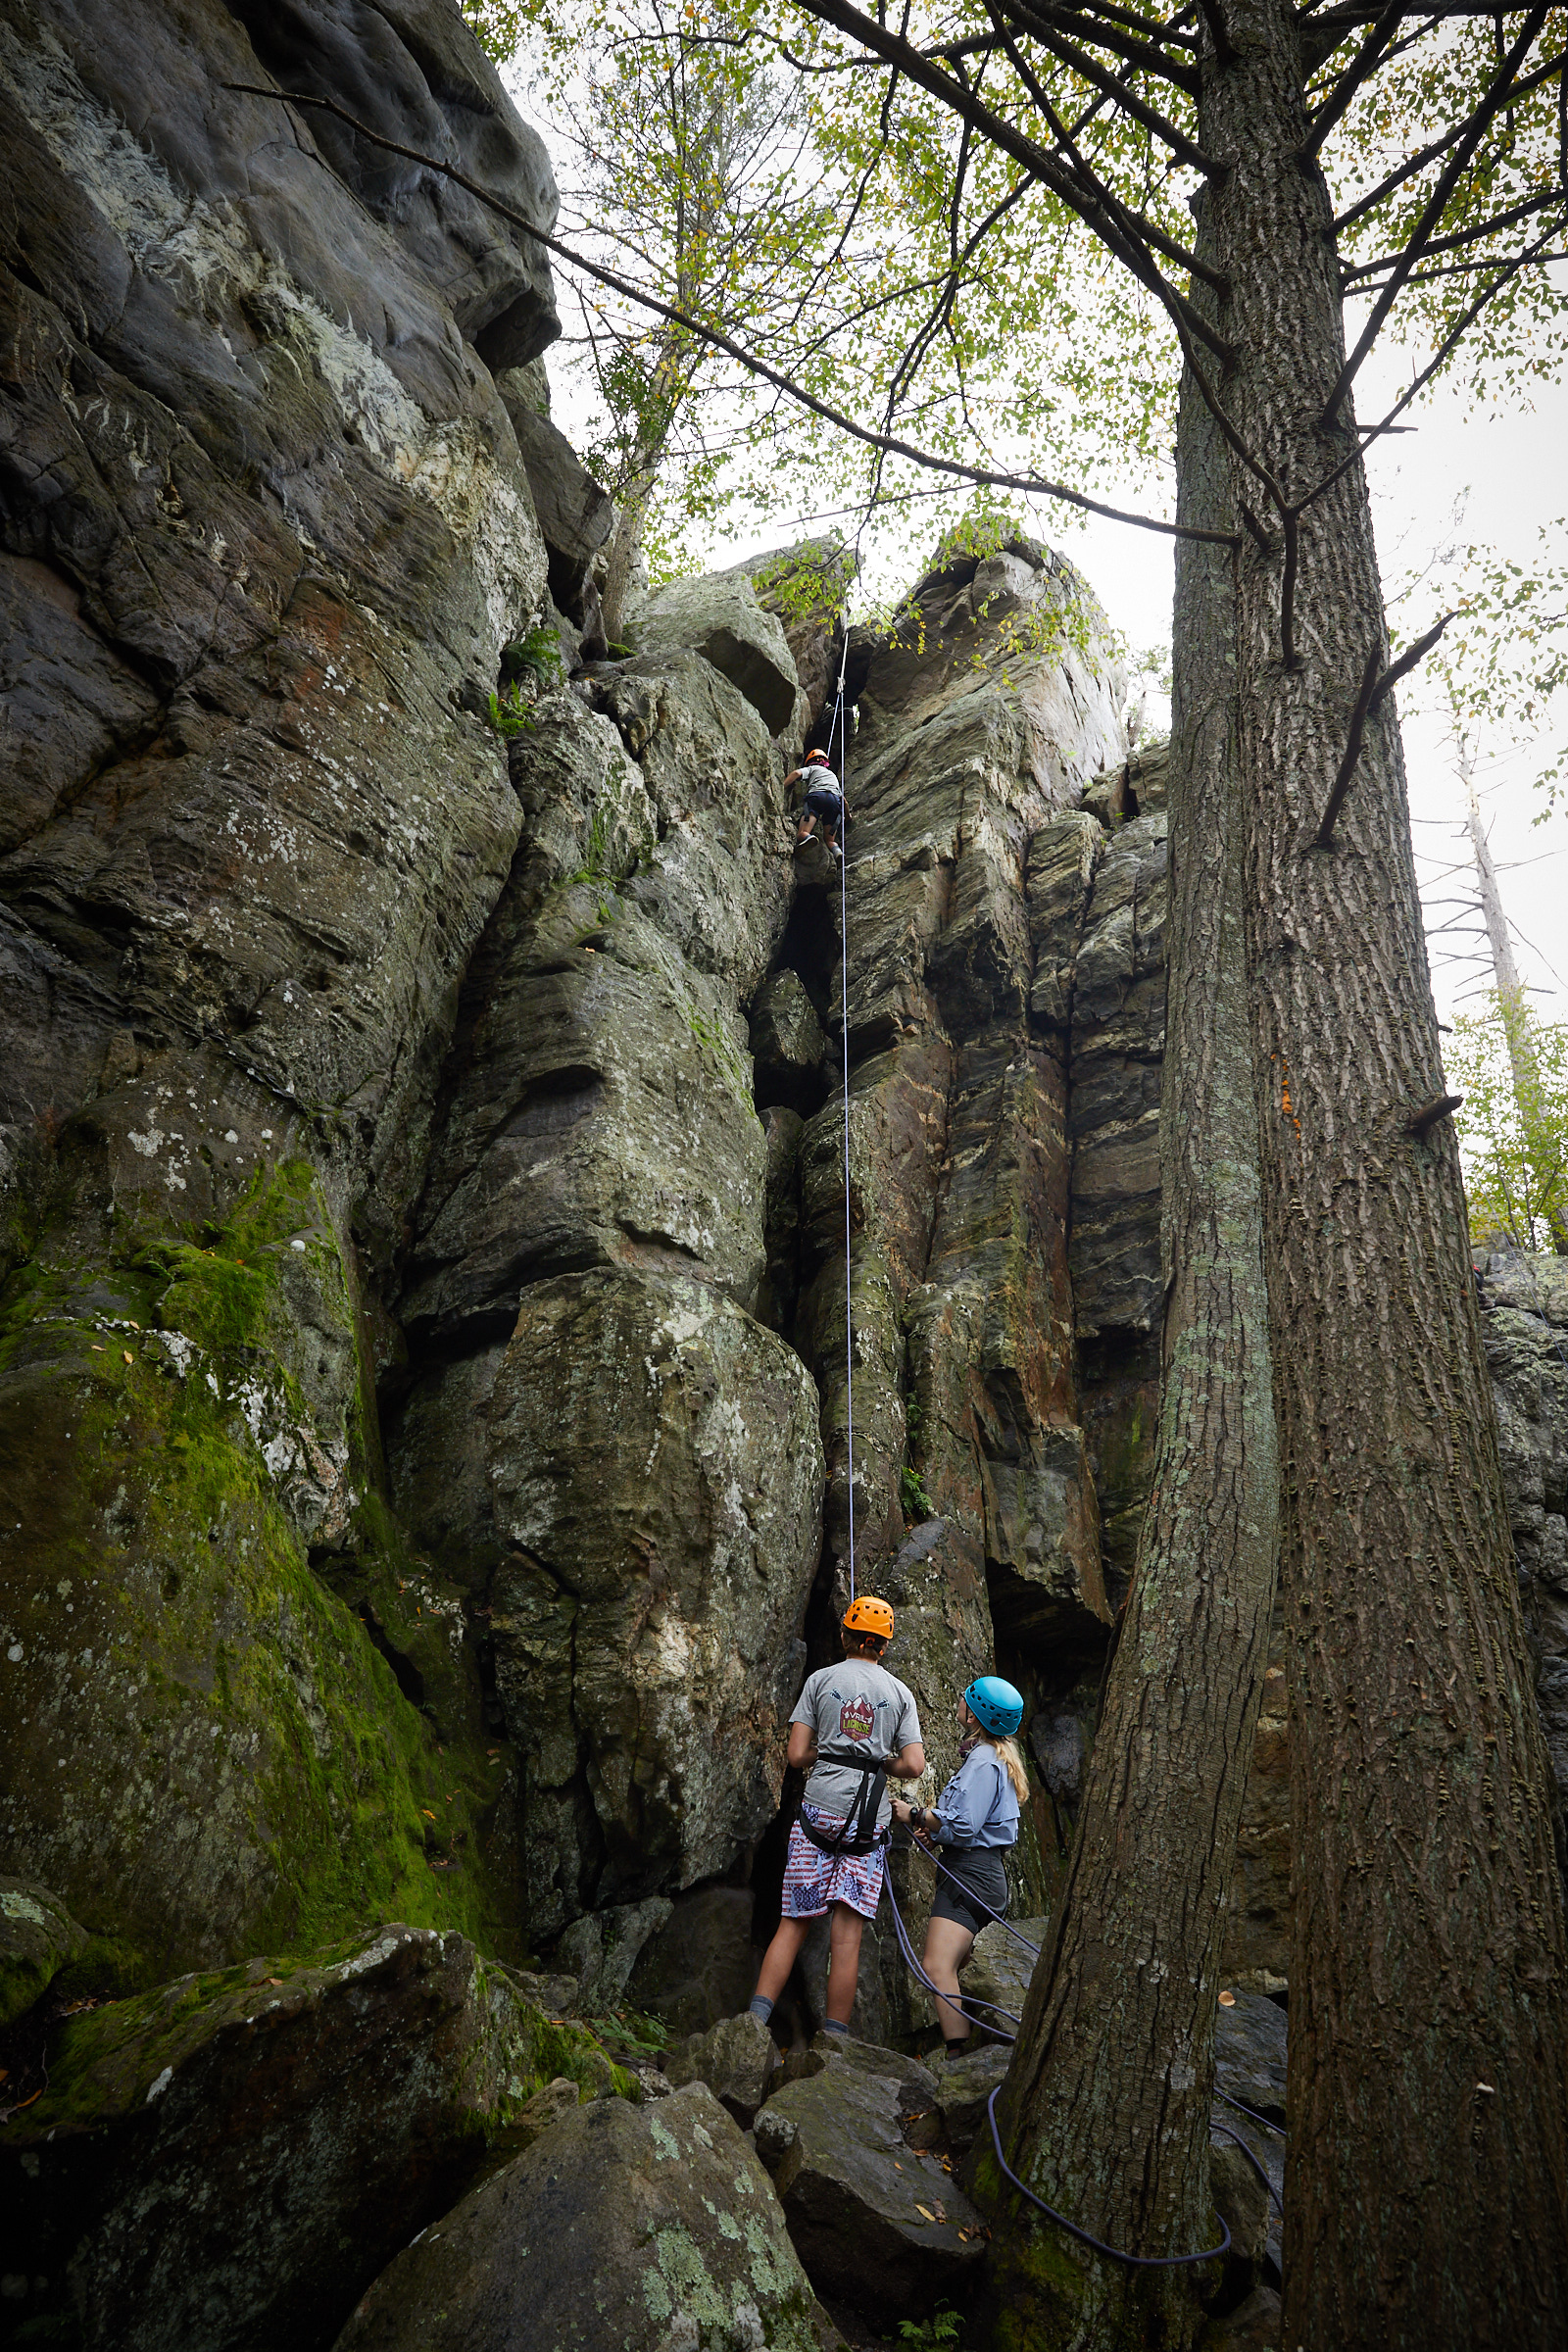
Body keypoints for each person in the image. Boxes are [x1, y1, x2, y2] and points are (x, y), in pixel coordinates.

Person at [749, 1596, 923, 2039]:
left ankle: (752, 2025)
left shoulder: (821, 1681)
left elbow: (795, 1756)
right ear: (882, 1646)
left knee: (793, 1924)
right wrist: (882, 1764)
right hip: (868, 1820)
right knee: (847, 1942)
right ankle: (836, 2044)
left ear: (844, 1636)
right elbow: (914, 1765)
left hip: (820, 1814)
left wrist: (827, 1753)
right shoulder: (900, 1693)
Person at [891, 1675, 1026, 2056]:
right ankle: (980, 2046)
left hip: (970, 1878)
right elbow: (970, 1823)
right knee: (963, 1967)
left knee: (937, 1965)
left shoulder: (983, 1761)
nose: (961, 1702)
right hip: (980, 1874)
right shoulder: (992, 1757)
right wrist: (939, 1833)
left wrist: (916, 1814)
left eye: (967, 1699)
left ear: (974, 1716)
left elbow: (965, 1824)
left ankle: (957, 2054)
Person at [787, 745, 849, 860]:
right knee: (830, 839)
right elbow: (843, 801)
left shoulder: (812, 768)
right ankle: (837, 853)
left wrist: (782, 786)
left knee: (802, 833)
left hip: (817, 796)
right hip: (834, 801)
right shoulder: (833, 776)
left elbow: (796, 773)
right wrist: (848, 816)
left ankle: (807, 836)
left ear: (810, 762)